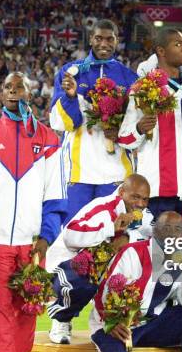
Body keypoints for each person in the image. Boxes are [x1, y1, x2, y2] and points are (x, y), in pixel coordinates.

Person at [0, 72, 67, 352]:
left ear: (31, 93)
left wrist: (46, 237)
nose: (13, 91)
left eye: (20, 87)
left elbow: (55, 194)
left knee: (29, 308)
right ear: (1, 94)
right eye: (8, 87)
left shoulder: (50, 140)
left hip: (32, 243)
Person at [90, 211, 182, 352]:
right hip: (116, 326)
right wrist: (112, 322)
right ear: (156, 231)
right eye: (167, 227)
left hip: (151, 325)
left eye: (178, 229)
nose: (173, 233)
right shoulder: (132, 253)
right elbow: (105, 290)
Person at [46, 174, 153, 344]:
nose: (140, 204)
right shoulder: (102, 207)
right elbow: (70, 235)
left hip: (104, 270)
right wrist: (111, 229)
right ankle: (61, 318)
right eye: (135, 197)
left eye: (145, 199)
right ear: (122, 192)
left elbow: (152, 239)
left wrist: (128, 237)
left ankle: (110, 319)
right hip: (68, 268)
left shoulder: (144, 215)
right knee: (86, 272)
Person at [50, 19, 137, 223]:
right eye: (98, 38)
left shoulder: (128, 77)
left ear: (117, 41)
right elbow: (60, 124)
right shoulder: (70, 72)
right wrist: (70, 97)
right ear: (91, 39)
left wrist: (119, 131)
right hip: (78, 169)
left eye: (109, 39)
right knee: (73, 233)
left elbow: (136, 125)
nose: (103, 44)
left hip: (116, 169)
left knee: (111, 233)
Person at [118, 27, 182, 218]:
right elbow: (125, 140)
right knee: (157, 247)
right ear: (161, 51)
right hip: (156, 191)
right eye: (178, 44)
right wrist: (139, 129)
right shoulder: (142, 89)